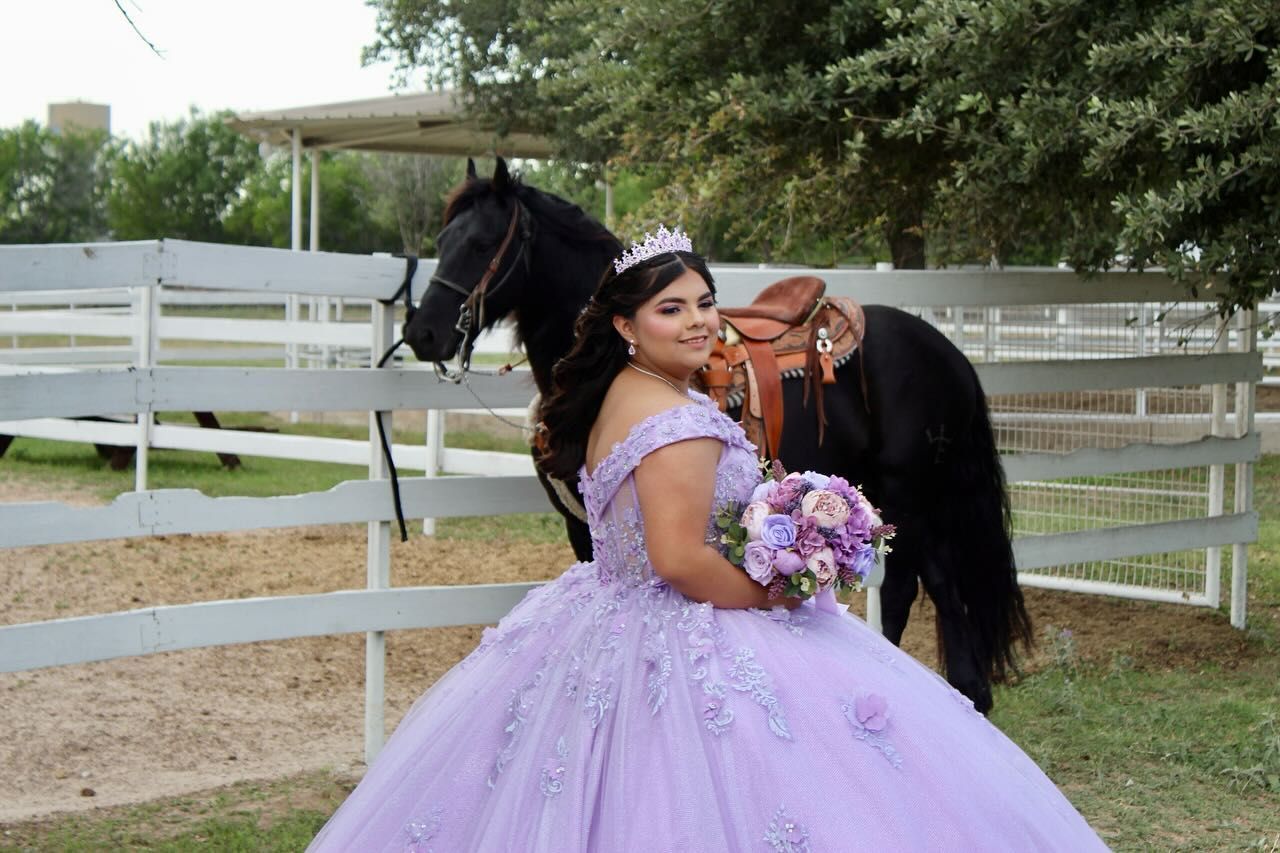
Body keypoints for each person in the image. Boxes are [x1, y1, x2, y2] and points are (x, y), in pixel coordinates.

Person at [309, 228, 1108, 852]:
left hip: (598, 614)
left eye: (703, 302)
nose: (696, 322)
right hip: (679, 622)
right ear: (625, 323)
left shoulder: (616, 394)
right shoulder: (680, 420)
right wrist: (780, 587)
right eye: (671, 308)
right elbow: (680, 557)